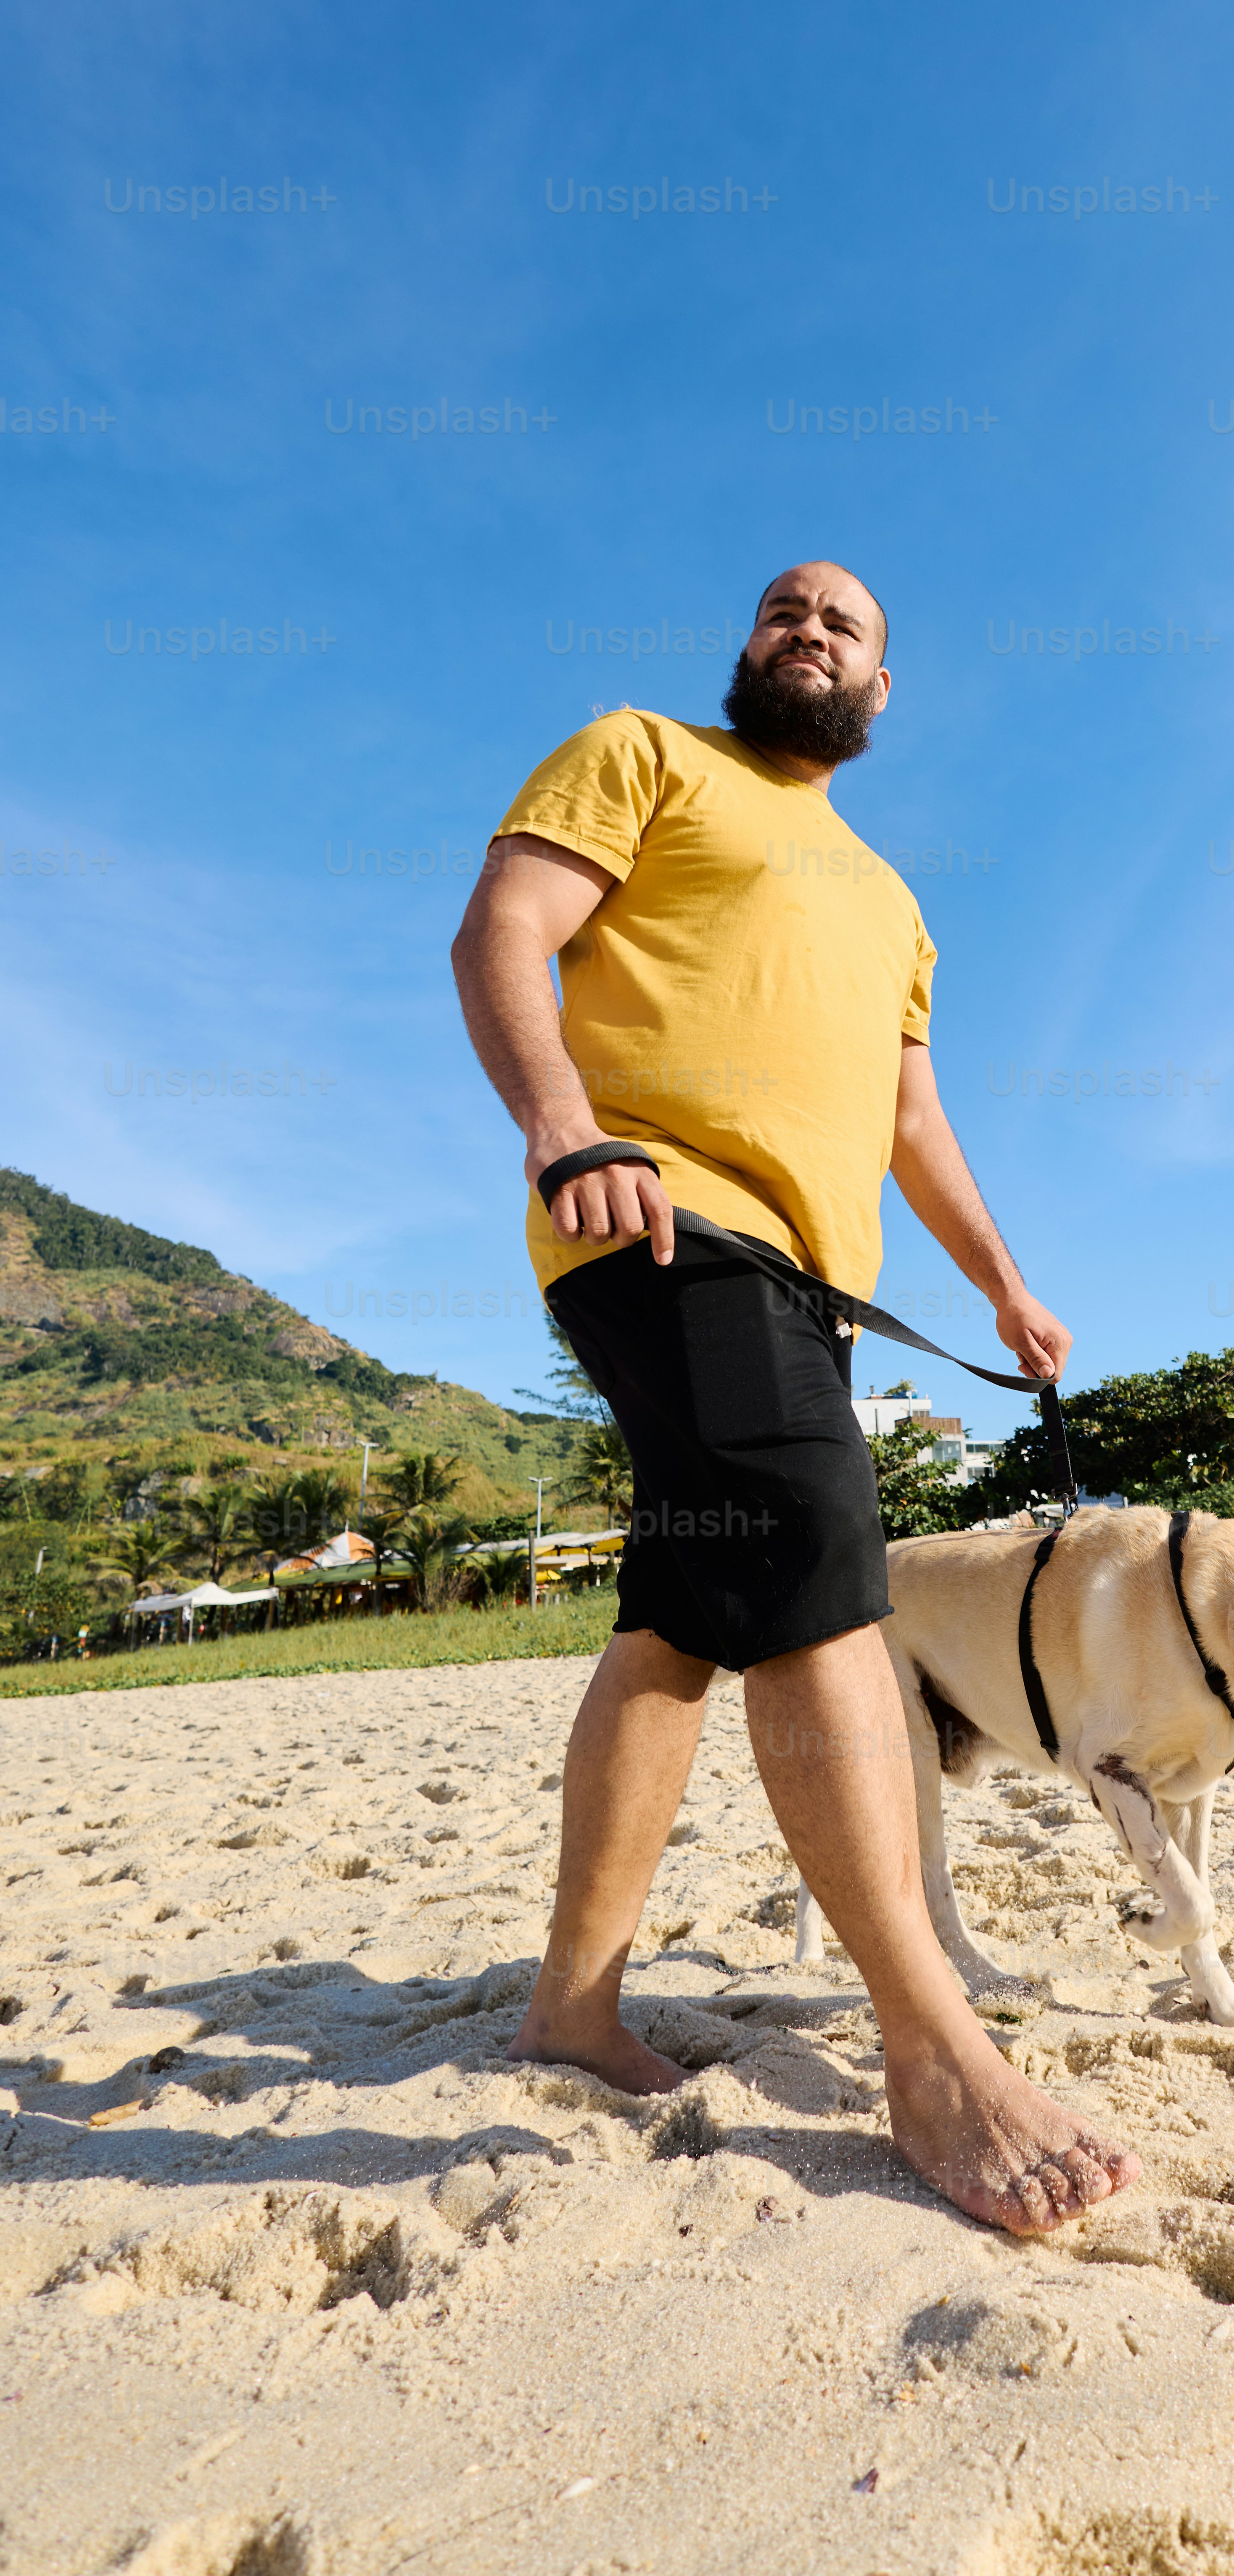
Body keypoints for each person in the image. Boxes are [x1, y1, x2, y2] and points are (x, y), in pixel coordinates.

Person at [450, 561, 1139, 2236]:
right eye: (781, 612)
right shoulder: (644, 757)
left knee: (685, 1617)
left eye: (841, 625)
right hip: (661, 1215)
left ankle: (572, 2005)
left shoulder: (895, 902)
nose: (806, 633)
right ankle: (932, 2047)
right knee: (828, 1555)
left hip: (817, 1287)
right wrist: (560, 1124)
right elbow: (506, 929)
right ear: (747, 648)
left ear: (881, 689)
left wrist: (998, 1277)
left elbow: (911, 1114)